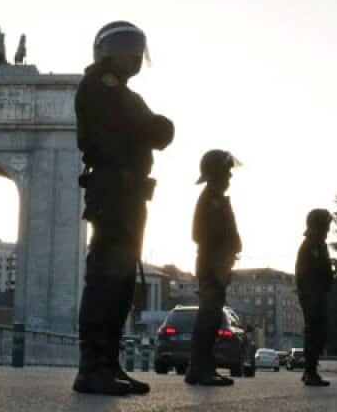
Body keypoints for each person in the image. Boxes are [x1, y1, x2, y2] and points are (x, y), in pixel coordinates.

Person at [73, 21, 174, 396]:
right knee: (104, 280)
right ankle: (91, 368)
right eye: (125, 45)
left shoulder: (126, 93)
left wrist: (151, 128)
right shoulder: (99, 85)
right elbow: (143, 130)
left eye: (137, 46)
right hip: (113, 190)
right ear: (104, 50)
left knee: (121, 283)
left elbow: (156, 133)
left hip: (130, 194)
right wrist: (149, 128)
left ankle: (110, 364)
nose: (133, 54)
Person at [186, 149, 243, 386]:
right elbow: (200, 234)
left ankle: (203, 367)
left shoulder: (215, 197)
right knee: (208, 318)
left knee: (210, 318)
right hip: (212, 266)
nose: (230, 176)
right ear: (217, 172)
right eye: (227, 171)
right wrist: (223, 251)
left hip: (216, 265)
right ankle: (199, 369)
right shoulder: (211, 198)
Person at [296, 208, 333, 387]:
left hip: (317, 293)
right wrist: (314, 294)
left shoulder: (318, 244)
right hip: (313, 294)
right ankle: (310, 372)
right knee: (315, 331)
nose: (329, 229)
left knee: (319, 331)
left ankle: (310, 370)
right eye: (326, 225)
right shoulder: (311, 245)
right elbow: (308, 274)